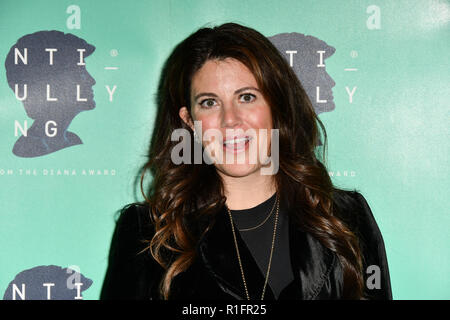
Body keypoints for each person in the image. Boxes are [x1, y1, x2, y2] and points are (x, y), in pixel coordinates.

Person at [100, 22, 392, 300]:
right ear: (189, 121)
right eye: (209, 103)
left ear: (276, 106)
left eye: (247, 97)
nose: (231, 121)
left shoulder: (346, 217)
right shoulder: (146, 233)